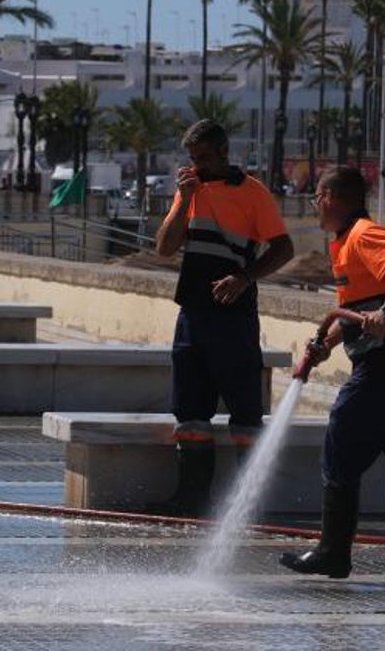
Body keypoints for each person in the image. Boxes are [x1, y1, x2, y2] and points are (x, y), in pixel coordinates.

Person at [280, 166, 385, 592]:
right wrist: (328, 345)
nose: (314, 205)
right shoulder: (343, 246)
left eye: (316, 197)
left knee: (340, 441)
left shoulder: (362, 234)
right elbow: (359, 312)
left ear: (330, 197)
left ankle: (333, 553)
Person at [152, 119, 294, 515]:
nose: (198, 165)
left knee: (245, 412)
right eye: (193, 159)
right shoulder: (190, 191)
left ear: (224, 153)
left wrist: (244, 277)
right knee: (191, 411)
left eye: (205, 158)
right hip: (193, 313)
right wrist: (182, 199)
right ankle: (191, 498)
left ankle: (248, 505)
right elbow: (164, 248)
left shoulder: (252, 193)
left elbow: (284, 248)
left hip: (233, 316)